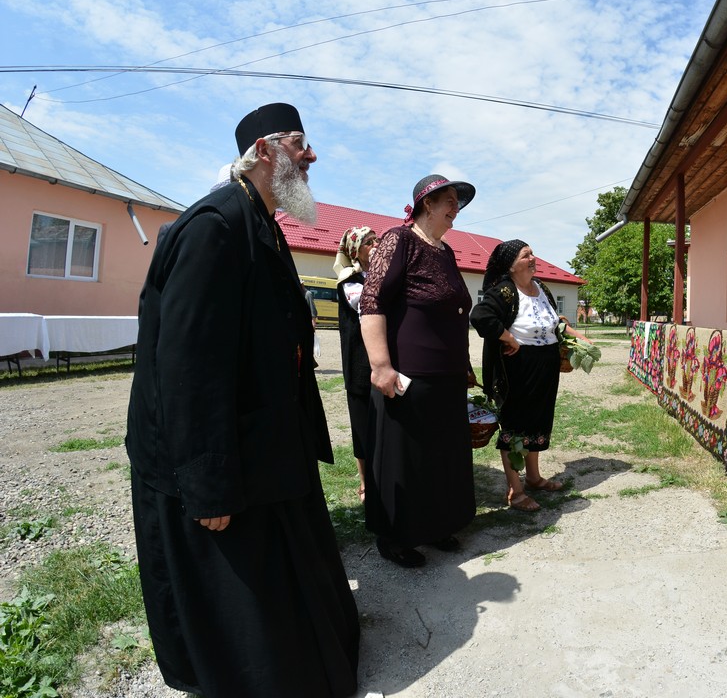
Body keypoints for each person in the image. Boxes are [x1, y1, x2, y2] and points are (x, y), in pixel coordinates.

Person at [125, 102, 359, 697]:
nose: (312, 155)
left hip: (264, 440)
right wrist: (207, 482)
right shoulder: (215, 225)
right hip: (215, 455)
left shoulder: (258, 220)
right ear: (263, 152)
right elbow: (187, 366)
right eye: (300, 143)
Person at [359, 175, 478, 568]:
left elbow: (455, 313)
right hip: (409, 376)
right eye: (449, 200)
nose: (455, 208)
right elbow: (372, 301)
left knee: (442, 456)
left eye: (457, 202)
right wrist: (381, 365)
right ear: (427, 203)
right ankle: (396, 536)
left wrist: (464, 366)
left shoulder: (445, 251)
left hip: (446, 375)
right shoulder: (399, 239)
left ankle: (437, 524)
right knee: (407, 458)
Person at [470, 240, 593, 512]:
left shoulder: (542, 289)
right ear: (511, 266)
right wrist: (508, 338)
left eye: (532, 253)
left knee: (538, 420)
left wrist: (579, 338)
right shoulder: (504, 292)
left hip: (545, 368)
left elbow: (555, 322)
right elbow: (480, 316)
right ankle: (516, 489)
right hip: (517, 371)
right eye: (526, 255)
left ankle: (534, 478)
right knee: (515, 425)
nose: (533, 258)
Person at [333, 225, 377, 502]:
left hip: (385, 362)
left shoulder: (384, 275)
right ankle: (365, 481)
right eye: (369, 242)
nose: (376, 244)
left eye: (377, 240)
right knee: (363, 425)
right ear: (356, 252)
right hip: (361, 364)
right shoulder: (350, 280)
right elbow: (368, 305)